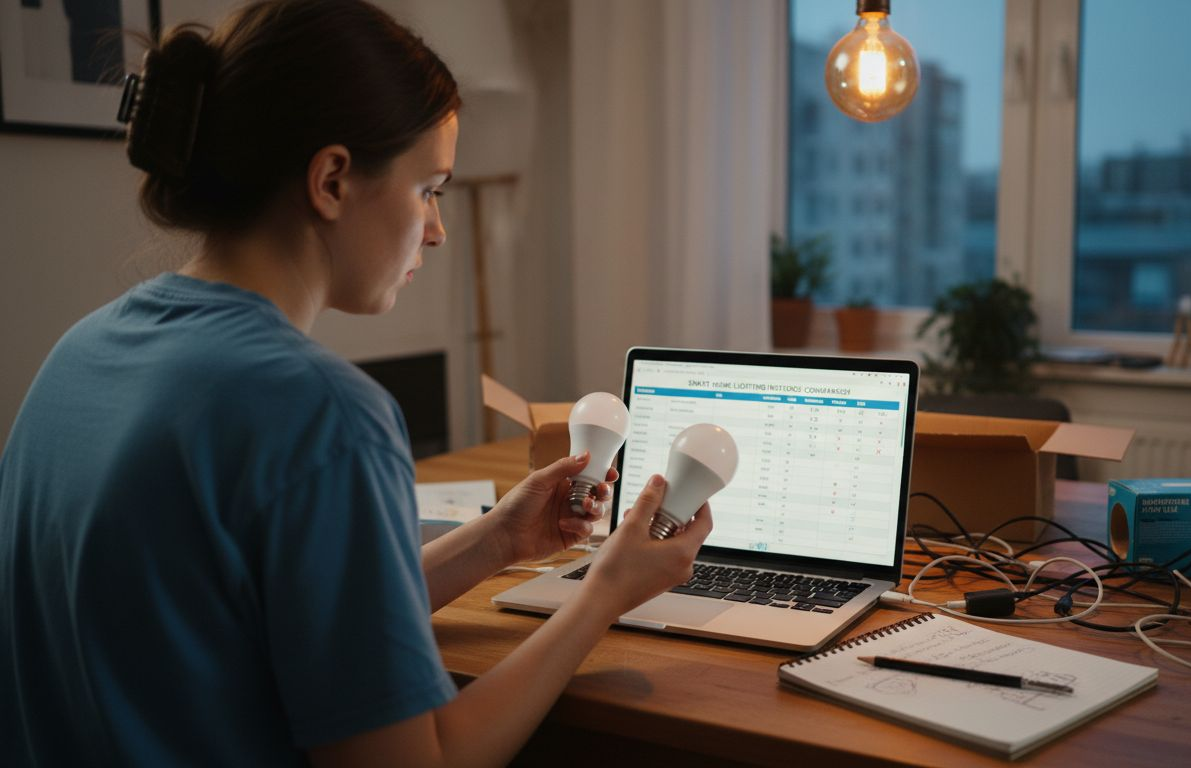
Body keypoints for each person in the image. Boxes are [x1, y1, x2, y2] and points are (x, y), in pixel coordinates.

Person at [0, 1, 711, 766]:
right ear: (333, 180)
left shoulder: (77, 356)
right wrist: (604, 592)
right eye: (429, 188)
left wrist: (500, 540)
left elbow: (281, 620)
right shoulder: (323, 414)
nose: (437, 230)